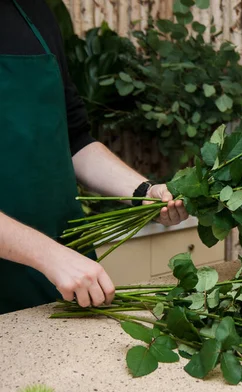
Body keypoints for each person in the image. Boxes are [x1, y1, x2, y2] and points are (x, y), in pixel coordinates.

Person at [0, 0, 189, 314]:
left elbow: (75, 140)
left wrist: (145, 193)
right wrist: (49, 255)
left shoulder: (35, 12)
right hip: (42, 267)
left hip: (63, 277)